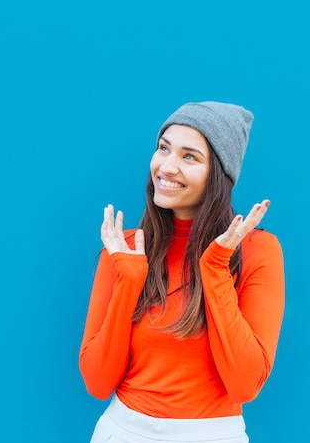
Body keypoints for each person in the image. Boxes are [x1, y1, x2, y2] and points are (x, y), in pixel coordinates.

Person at [79, 101, 285, 443]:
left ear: (218, 174)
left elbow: (245, 385)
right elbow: (98, 383)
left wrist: (216, 267)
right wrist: (129, 279)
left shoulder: (256, 251)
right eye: (164, 149)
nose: (167, 167)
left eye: (189, 157)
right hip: (123, 431)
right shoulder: (123, 248)